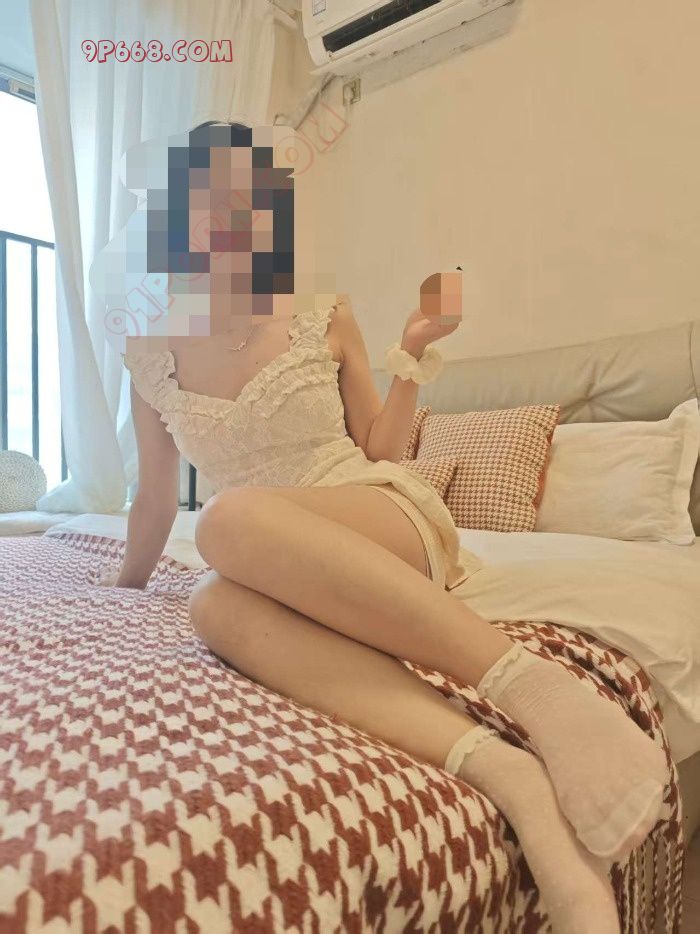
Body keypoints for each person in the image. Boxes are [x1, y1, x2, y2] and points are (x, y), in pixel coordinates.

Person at [108, 122, 666, 933]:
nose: (226, 215)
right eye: (207, 197)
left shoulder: (320, 314)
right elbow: (156, 498)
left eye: (247, 198)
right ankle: (511, 778)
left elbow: (379, 447)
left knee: (226, 520)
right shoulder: (149, 352)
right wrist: (121, 591)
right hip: (262, 555)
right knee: (212, 604)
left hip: (373, 509)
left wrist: (411, 353)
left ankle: (543, 694)